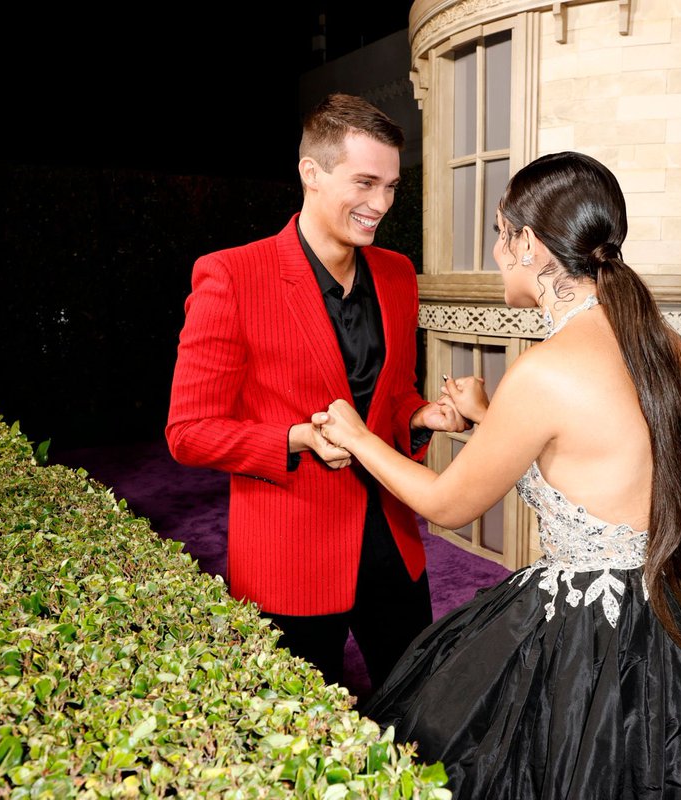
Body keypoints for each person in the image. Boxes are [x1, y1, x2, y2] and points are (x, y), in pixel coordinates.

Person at [313, 151, 681, 799]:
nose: (493, 250)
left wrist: (358, 437)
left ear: (529, 244)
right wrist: (492, 418)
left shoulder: (545, 371)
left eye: (498, 232)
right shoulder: (665, 342)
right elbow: (613, 460)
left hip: (602, 641)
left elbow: (446, 502)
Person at [166, 94, 466, 690]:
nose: (380, 204)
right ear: (311, 172)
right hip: (291, 557)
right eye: (364, 182)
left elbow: (394, 396)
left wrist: (422, 416)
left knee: (418, 713)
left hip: (394, 544)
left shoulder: (398, 274)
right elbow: (188, 433)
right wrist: (297, 438)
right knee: (304, 740)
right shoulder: (231, 275)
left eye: (391, 187)